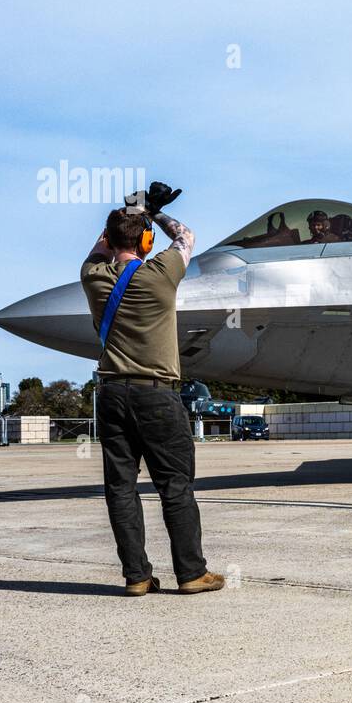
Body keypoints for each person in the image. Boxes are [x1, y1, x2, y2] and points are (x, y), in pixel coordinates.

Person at [80, 182, 224, 597]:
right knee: (175, 485)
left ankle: (137, 576)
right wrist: (154, 213)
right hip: (157, 395)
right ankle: (191, 573)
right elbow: (186, 237)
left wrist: (129, 210)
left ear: (107, 239)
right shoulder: (161, 274)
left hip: (110, 395)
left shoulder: (92, 275)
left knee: (120, 487)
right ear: (146, 241)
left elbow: (103, 245)